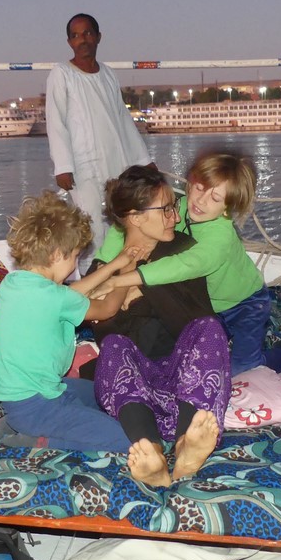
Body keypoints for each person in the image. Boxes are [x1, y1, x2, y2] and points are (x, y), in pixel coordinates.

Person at [88, 166, 232, 487]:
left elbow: (193, 321)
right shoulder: (108, 265)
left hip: (186, 379)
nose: (175, 216)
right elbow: (103, 329)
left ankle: (185, 446)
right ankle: (151, 452)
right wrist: (125, 285)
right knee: (113, 346)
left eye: (174, 207)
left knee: (211, 329)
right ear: (136, 218)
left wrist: (144, 287)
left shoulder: (182, 251)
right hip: (136, 386)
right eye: (166, 209)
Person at [94, 151, 281, 377]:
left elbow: (185, 264)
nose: (201, 201)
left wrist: (121, 281)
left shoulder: (219, 237)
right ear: (190, 183)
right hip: (206, 304)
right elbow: (126, 222)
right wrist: (104, 264)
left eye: (215, 198)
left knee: (241, 369)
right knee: (194, 359)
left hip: (245, 304)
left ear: (227, 208)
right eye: (199, 188)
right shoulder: (178, 207)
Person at [0, 191, 139, 452]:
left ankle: (12, 424)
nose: (74, 264)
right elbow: (107, 309)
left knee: (103, 393)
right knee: (127, 441)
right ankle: (35, 439)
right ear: (57, 255)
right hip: (37, 407)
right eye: (75, 257)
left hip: (23, 400)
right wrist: (127, 274)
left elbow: (68, 294)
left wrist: (114, 264)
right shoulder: (55, 298)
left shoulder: (12, 284)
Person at [45, 13, 155, 257]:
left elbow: (123, 119)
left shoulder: (108, 74)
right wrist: (62, 166)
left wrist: (143, 160)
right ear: (69, 42)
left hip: (116, 161)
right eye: (75, 36)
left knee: (120, 222)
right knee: (92, 226)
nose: (82, 40)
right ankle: (92, 275)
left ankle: (119, 273)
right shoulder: (62, 74)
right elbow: (55, 122)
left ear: (98, 37)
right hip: (82, 167)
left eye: (87, 33)